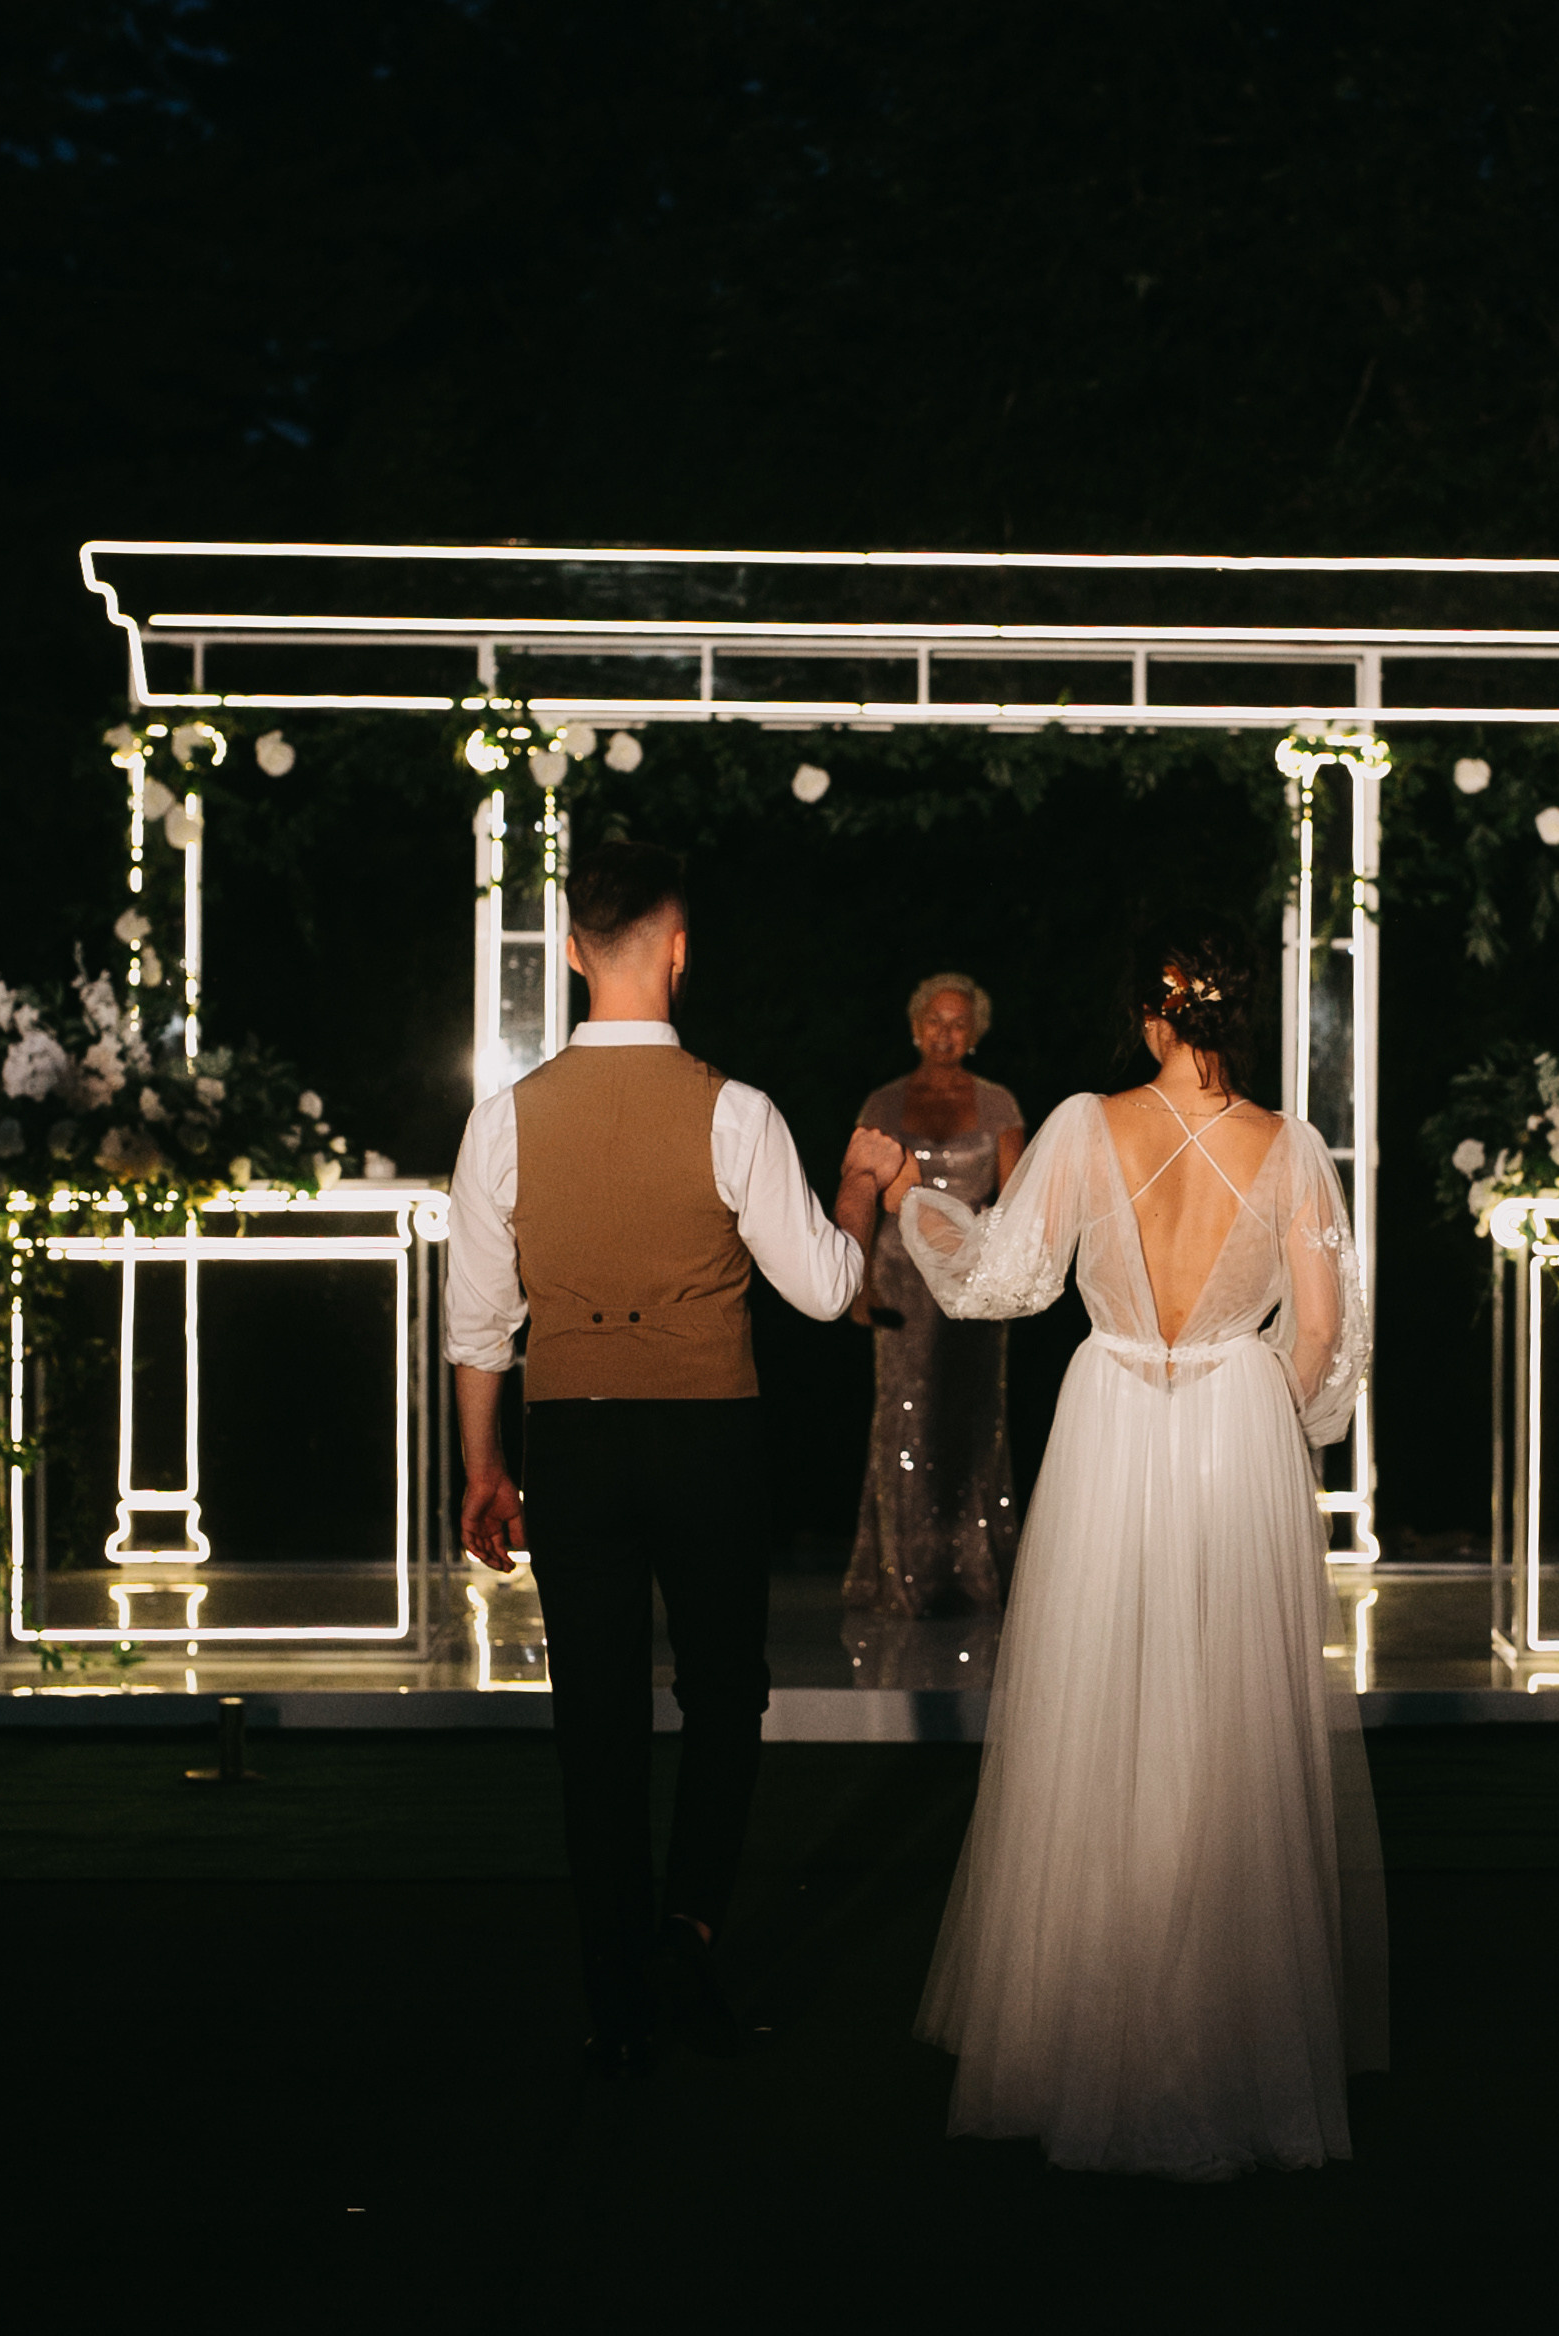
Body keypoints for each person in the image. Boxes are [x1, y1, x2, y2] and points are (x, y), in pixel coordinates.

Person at [881, 920, 1385, 2180]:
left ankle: (1078, 2037)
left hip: (1109, 1417)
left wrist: (902, 1192)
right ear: (1232, 1019)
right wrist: (1276, 1413)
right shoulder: (1295, 1152)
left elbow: (999, 1280)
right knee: (1224, 1723)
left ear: (1151, 1020)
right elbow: (1325, 1340)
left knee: (1102, 1711)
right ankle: (1230, 2037)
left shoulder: (1078, 1125)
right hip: (1233, 1425)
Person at [444, 837, 908, 2074]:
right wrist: (860, 1187)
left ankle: (614, 1984)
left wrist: (487, 1467)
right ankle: (689, 1924)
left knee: (591, 1712)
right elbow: (822, 1289)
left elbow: (478, 1322)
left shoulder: (504, 1121)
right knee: (721, 1692)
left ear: (578, 951)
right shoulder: (735, 1111)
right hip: (708, 1433)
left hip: (573, 1436)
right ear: (680, 947)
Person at [843, 974, 1026, 1630]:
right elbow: (859, 1191)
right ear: (915, 1025)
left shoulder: (999, 1103)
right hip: (900, 1277)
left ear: (974, 1033)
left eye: (958, 1023)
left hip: (972, 1284)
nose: (945, 1033)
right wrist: (857, 1282)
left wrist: (1002, 1277)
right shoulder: (885, 1102)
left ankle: (970, 1572)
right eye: (935, 1021)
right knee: (905, 1419)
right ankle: (906, 1574)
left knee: (972, 1415)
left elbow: (1018, 1204)